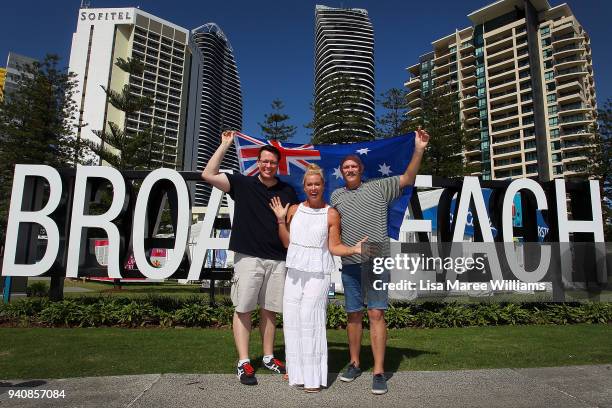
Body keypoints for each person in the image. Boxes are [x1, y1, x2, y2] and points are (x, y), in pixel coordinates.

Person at [331, 128, 430, 395]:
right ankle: (353, 363)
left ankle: (378, 371)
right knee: (353, 315)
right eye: (346, 167)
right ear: (342, 172)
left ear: (361, 169)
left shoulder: (380, 187)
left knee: (376, 313)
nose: (350, 169)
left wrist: (419, 149)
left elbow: (409, 178)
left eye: (354, 166)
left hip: (376, 255)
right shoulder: (336, 196)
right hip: (351, 258)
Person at [201, 130, 299, 386]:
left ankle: (268, 356)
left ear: (278, 165)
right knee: (243, 308)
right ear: (257, 163)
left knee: (270, 311)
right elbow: (208, 174)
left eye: (272, 162)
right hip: (248, 258)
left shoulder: (288, 191)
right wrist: (224, 144)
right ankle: (244, 361)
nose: (268, 165)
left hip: (278, 258)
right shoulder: (243, 183)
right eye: (264, 161)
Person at [269, 164, 366, 393]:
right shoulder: (293, 209)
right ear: (304, 186)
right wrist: (281, 220)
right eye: (309, 184)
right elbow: (286, 242)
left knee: (310, 320)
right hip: (294, 272)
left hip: (317, 274)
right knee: (292, 321)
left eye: (317, 184)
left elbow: (334, 246)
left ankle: (313, 379)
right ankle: (296, 373)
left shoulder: (331, 213)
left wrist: (354, 250)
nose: (313, 187)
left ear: (323, 186)